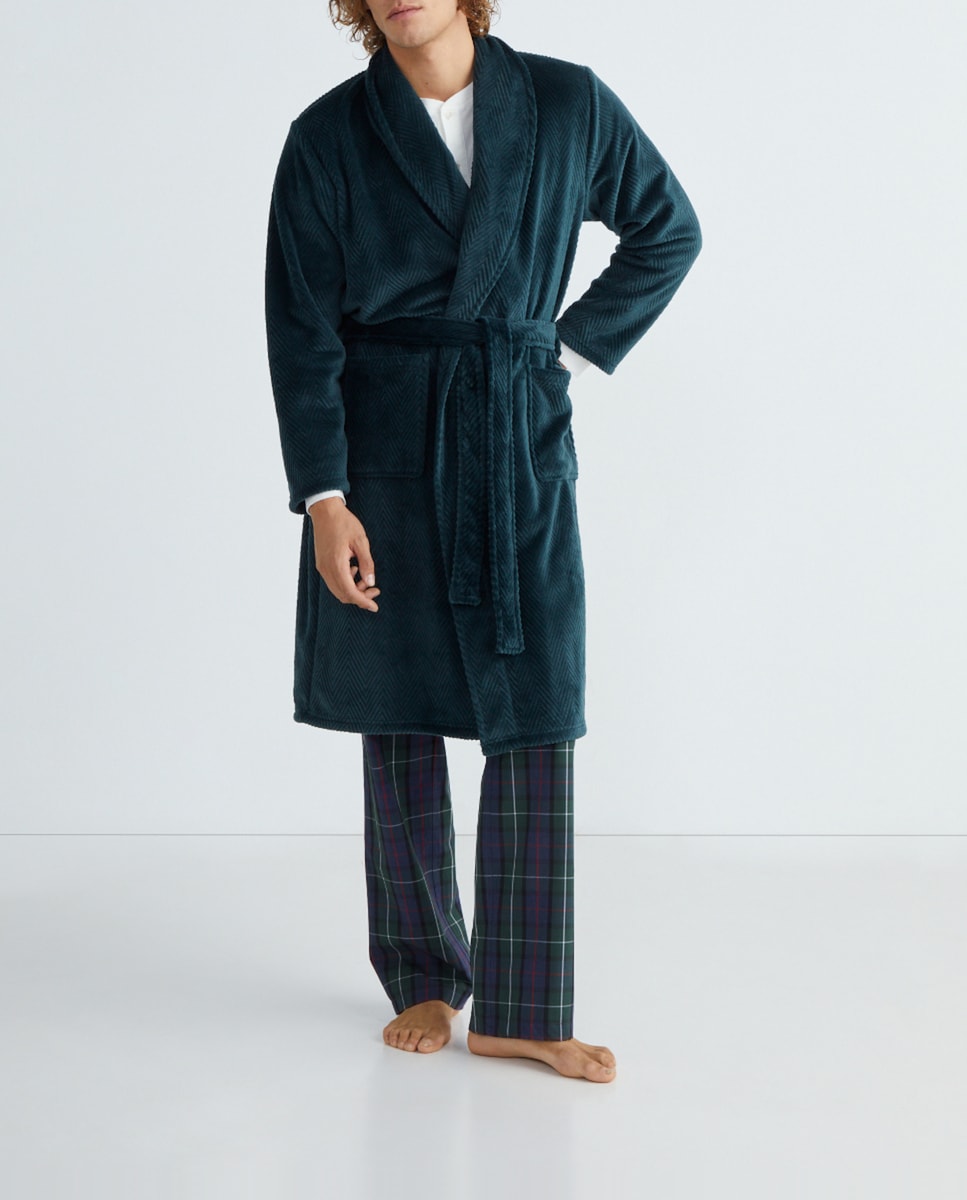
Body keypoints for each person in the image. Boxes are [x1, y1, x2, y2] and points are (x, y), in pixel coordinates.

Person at [264, 0, 701, 1083]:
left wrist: (564, 353)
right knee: (399, 708)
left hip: (513, 432)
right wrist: (324, 499)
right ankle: (424, 972)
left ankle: (521, 1007)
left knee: (535, 708)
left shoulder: (565, 102)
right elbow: (301, 328)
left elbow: (667, 229)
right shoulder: (329, 135)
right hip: (382, 447)